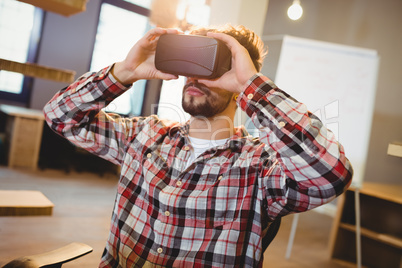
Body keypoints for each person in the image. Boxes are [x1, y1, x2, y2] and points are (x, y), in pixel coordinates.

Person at [43, 25, 353, 267]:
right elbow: (60, 116)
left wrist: (252, 86)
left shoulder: (262, 166)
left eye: (212, 66)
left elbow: (331, 174)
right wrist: (123, 72)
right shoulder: (144, 136)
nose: (195, 75)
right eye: (191, 62)